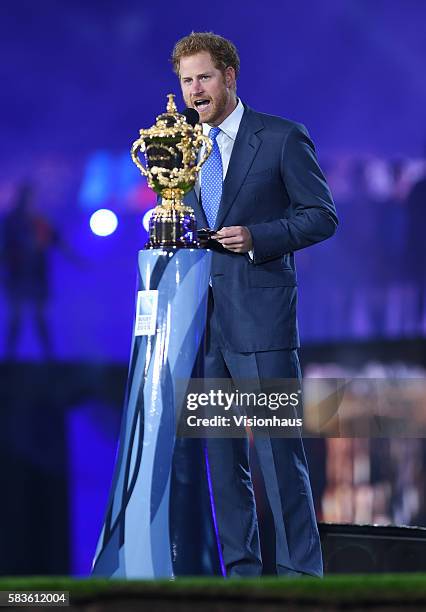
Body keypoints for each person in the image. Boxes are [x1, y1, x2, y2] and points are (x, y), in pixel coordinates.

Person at [171, 32, 338, 577]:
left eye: (204, 77)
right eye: (186, 80)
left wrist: (260, 237)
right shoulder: (179, 150)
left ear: (230, 76)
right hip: (204, 323)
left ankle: (300, 576)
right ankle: (240, 574)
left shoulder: (283, 138)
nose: (195, 90)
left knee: (276, 455)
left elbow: (322, 215)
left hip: (262, 319)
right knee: (222, 462)